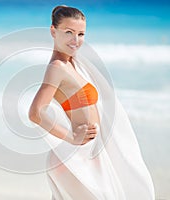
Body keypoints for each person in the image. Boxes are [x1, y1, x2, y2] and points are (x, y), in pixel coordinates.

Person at [29, 5, 155, 200]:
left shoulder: (74, 63)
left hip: (87, 155)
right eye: (69, 32)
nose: (76, 40)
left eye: (81, 34)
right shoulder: (57, 67)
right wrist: (72, 138)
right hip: (73, 158)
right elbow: (35, 113)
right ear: (53, 31)